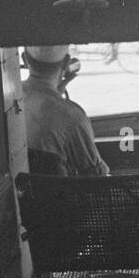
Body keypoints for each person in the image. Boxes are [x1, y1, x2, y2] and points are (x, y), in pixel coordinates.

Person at [22, 45, 109, 178]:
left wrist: (55, 94)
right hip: (61, 197)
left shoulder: (10, 99)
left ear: (24, 58)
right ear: (67, 62)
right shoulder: (71, 116)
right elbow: (96, 175)